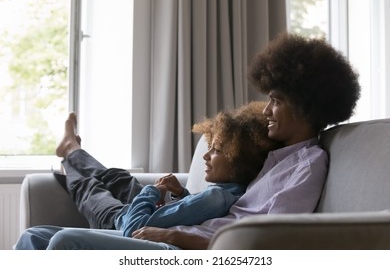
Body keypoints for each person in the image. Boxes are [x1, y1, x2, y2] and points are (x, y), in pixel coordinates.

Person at [15, 32, 360, 250]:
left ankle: (72, 155)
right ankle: (72, 155)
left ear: (305, 104)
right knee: (34, 236)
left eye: (276, 100)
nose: (266, 110)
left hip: (189, 252)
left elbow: (270, 246)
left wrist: (177, 236)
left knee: (64, 241)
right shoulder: (273, 158)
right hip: (179, 234)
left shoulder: (309, 165)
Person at [15, 101, 281, 248]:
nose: (205, 157)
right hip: (150, 213)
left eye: (217, 150)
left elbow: (134, 229)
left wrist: (153, 191)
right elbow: (190, 213)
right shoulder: (228, 194)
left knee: (90, 189)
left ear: (239, 159)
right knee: (117, 178)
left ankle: (71, 155)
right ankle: (72, 151)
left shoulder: (216, 197)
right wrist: (180, 194)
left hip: (123, 221)